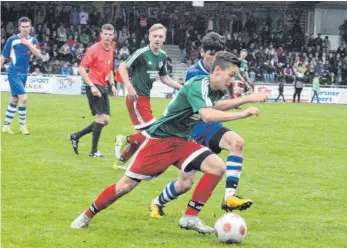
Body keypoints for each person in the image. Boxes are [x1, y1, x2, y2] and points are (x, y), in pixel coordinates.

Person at [70, 51, 262, 234]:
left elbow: (214, 105)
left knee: (217, 167)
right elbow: (208, 114)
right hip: (160, 142)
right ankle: (87, 215)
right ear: (217, 71)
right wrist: (243, 112)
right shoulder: (199, 84)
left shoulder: (214, 89)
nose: (233, 81)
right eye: (231, 75)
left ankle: (190, 217)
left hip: (182, 141)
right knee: (124, 187)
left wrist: (245, 99)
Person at [149, 32, 268, 218]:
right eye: (212, 54)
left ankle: (229, 196)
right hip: (195, 128)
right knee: (185, 183)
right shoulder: (195, 74)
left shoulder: (223, 71)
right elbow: (208, 108)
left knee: (237, 143)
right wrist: (246, 100)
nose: (215, 58)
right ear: (202, 53)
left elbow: (226, 97)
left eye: (219, 54)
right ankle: (157, 202)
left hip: (210, 126)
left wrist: (234, 95)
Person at [113, 23, 182, 167]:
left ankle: (121, 162)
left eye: (160, 36)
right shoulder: (142, 53)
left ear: (164, 39)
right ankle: (124, 139)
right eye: (155, 36)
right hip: (136, 98)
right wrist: (129, 87)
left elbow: (164, 78)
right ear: (149, 37)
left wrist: (181, 87)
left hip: (146, 99)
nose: (157, 39)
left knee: (143, 135)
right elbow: (122, 67)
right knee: (154, 132)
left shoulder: (162, 56)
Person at [69, 24, 117, 157]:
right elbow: (82, 68)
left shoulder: (111, 50)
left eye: (110, 34)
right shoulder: (93, 49)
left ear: (113, 36)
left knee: (106, 120)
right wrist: (91, 86)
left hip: (103, 86)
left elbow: (110, 69)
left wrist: (112, 84)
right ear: (101, 35)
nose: (107, 37)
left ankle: (76, 135)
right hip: (94, 85)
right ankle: (94, 151)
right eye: (105, 34)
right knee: (101, 117)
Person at [1, 17, 41, 135]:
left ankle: (6, 126)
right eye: (23, 27)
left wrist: (29, 44)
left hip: (24, 73)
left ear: (30, 27)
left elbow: (39, 54)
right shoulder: (12, 40)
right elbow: (3, 56)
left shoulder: (33, 40)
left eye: (27, 27)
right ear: (19, 27)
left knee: (15, 99)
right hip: (13, 72)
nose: (25, 29)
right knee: (23, 98)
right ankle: (23, 126)